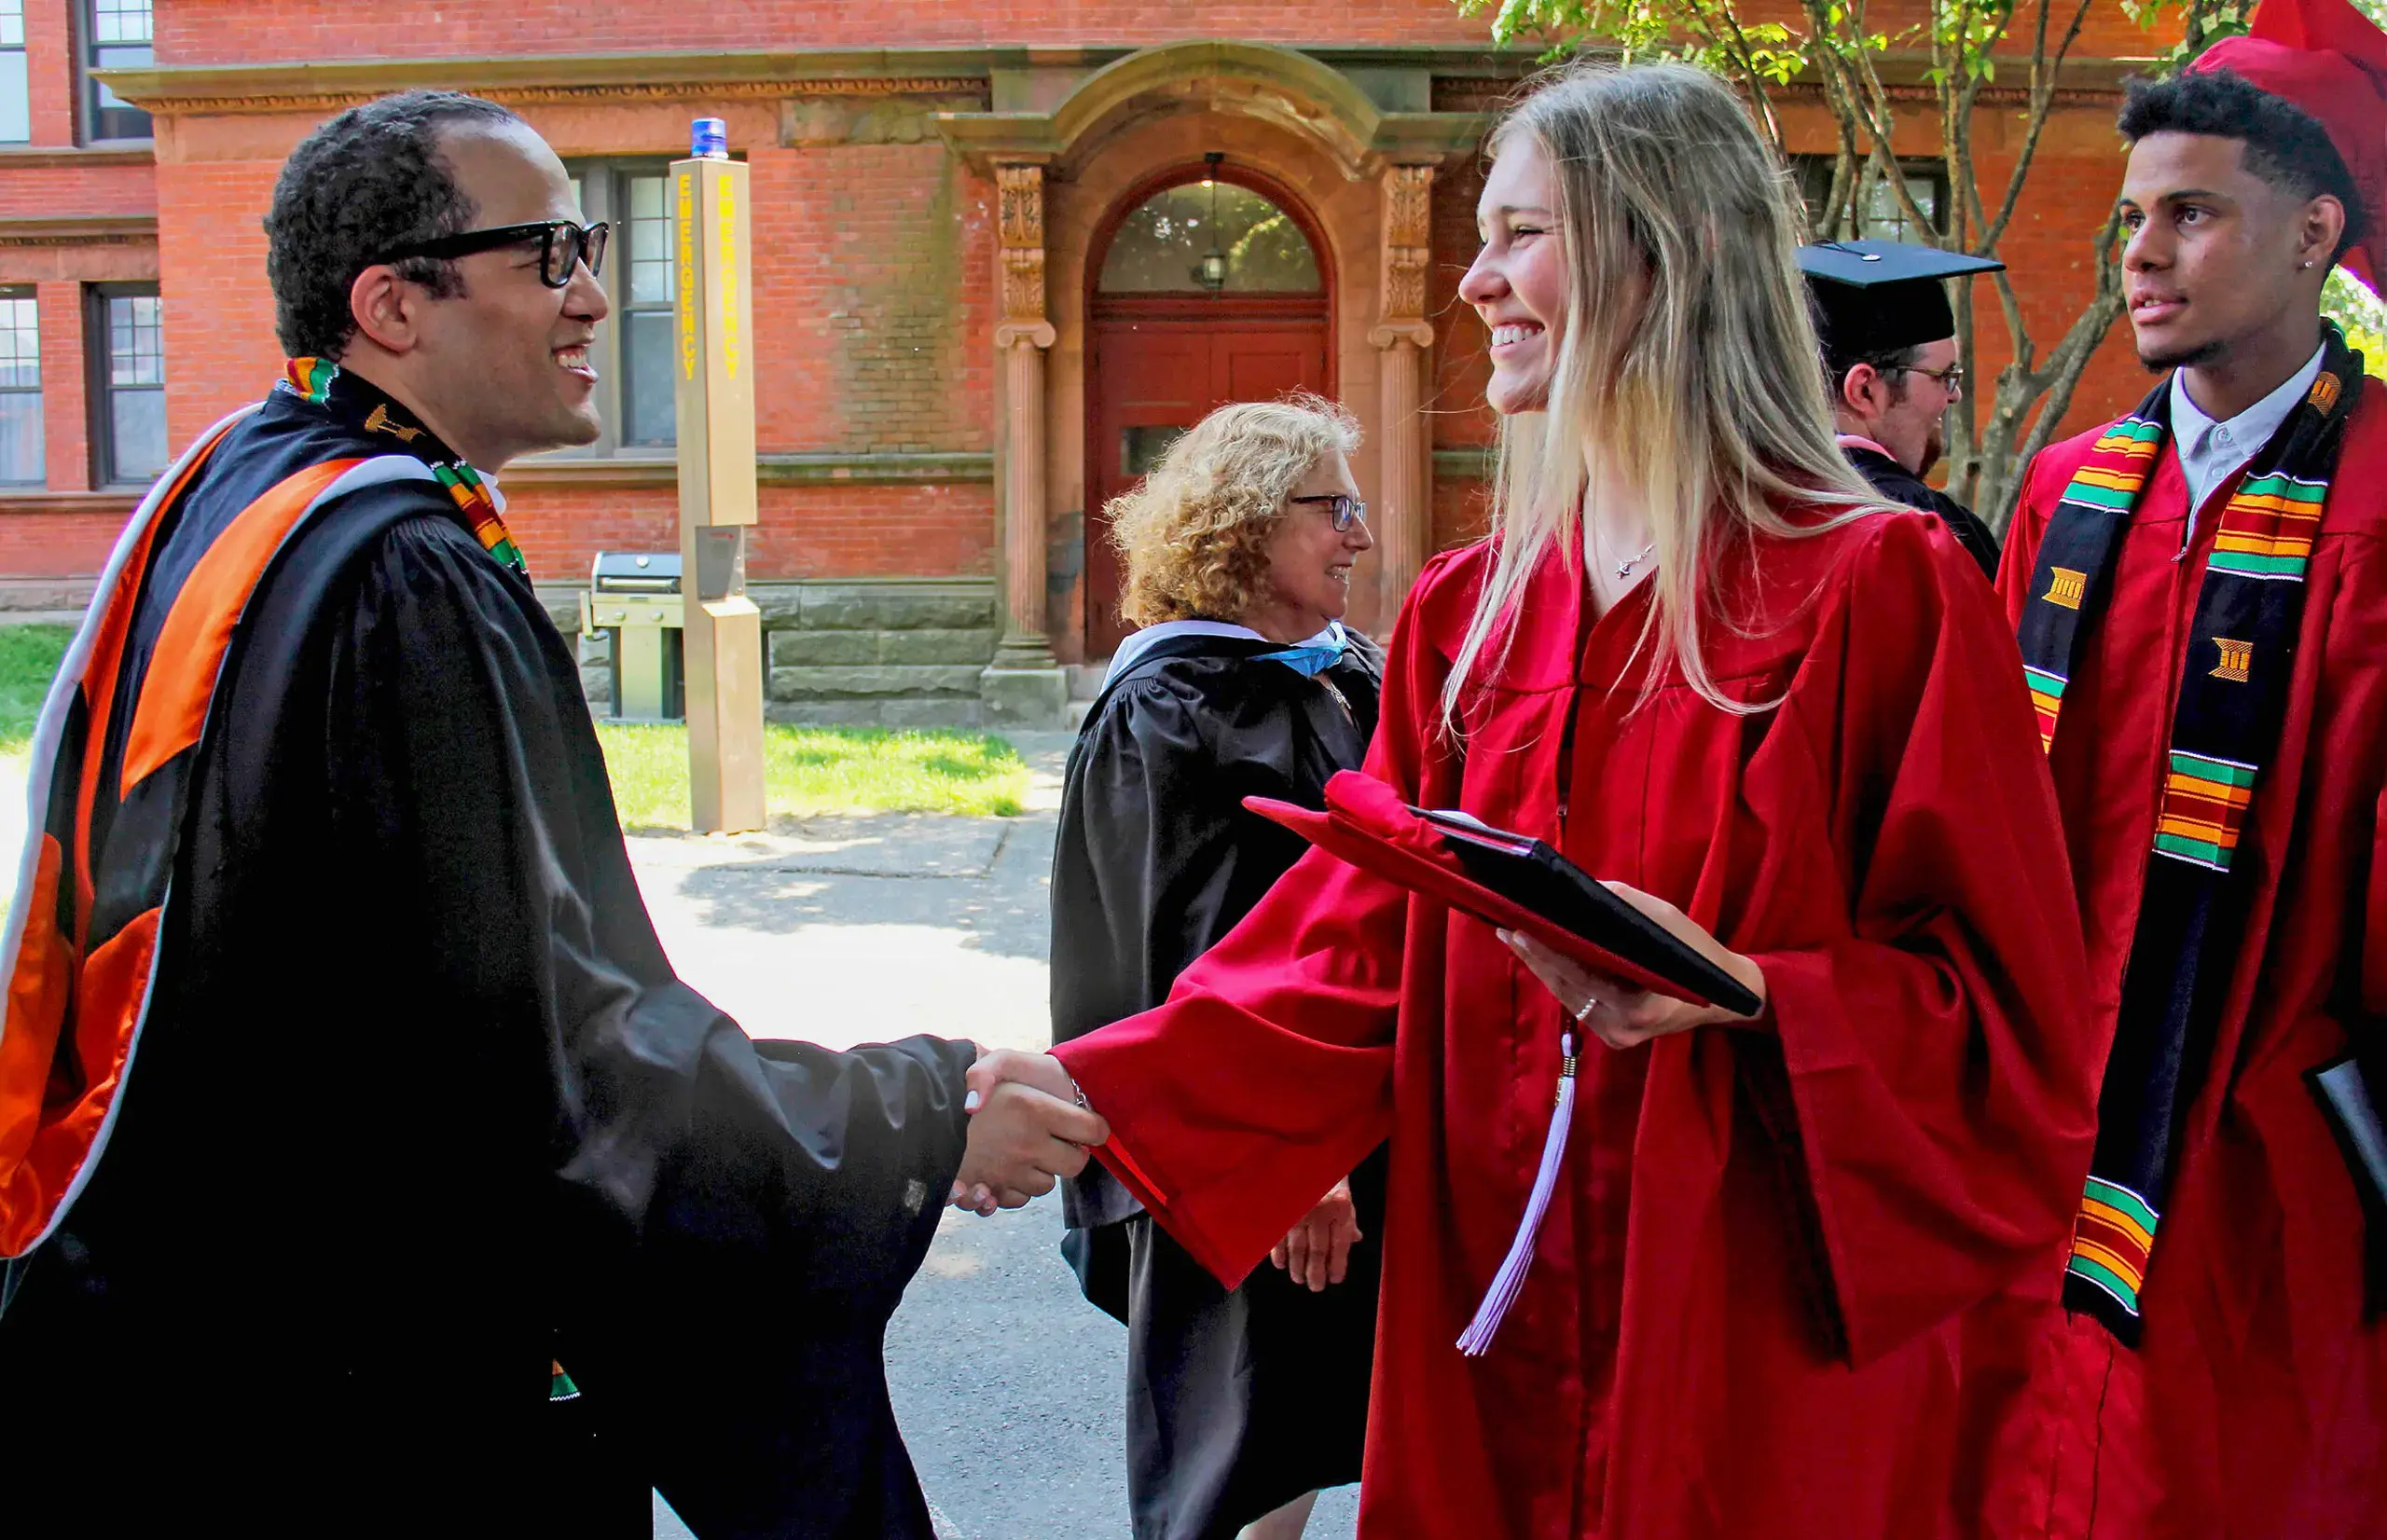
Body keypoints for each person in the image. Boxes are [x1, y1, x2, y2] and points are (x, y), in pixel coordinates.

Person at [973, 61, 2098, 1538]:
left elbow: (2014, 1019)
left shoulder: (1880, 592)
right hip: (1494, 1314)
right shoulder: (1473, 614)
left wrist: (1753, 992)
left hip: (1742, 1331)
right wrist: (1094, 1092)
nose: (1476, 284)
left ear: (1664, 253)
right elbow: (1345, 947)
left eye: (1519, 236)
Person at [0, 90, 1100, 1537]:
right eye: (548, 253)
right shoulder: (398, 574)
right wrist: (915, 1119)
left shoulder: (230, 489)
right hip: (363, 1399)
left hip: (185, 1331)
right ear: (391, 304)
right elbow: (543, 1059)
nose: (592, 293)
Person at [1985, 0, 2387, 1531]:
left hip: (2269, 1177)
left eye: (2194, 213)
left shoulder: (2380, 503)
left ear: (2314, 236)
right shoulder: (2066, 493)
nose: (2139, 254)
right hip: (2036, 1140)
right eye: (2137, 216)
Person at [1052, 395, 1385, 1540]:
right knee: (1232, 1431)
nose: (1360, 534)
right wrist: (1292, 1155)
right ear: (1247, 526)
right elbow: (1176, 955)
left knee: (1291, 1422)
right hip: (1243, 1138)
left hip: (1339, 1123)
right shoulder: (1171, 706)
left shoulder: (1342, 678)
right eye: (1332, 508)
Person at [1799, 239, 2005, 575]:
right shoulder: (1923, 529)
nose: (1955, 396)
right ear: (1864, 390)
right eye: (1943, 375)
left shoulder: (1745, 508)